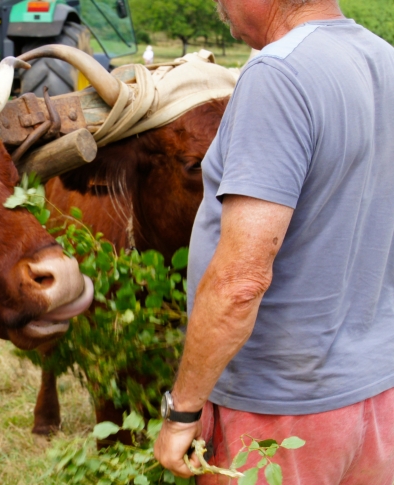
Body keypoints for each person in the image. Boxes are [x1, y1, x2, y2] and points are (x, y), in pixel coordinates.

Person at [153, 0, 394, 483]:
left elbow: (241, 280)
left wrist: (183, 410)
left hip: (281, 414)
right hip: (378, 392)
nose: (220, 7)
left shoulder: (277, 75)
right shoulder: (384, 58)